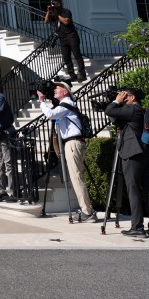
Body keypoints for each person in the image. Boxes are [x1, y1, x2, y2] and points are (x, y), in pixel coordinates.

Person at [36, 81, 95, 221]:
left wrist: (42, 101)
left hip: (73, 142)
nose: (55, 89)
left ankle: (88, 212)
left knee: (76, 177)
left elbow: (50, 114)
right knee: (76, 176)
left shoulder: (67, 104)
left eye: (58, 87)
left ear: (65, 91)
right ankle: (86, 209)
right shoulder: (65, 105)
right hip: (72, 143)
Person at [105, 87, 149, 237]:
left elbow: (109, 111)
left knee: (133, 190)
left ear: (132, 97)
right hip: (145, 152)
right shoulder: (141, 109)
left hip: (133, 153)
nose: (123, 98)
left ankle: (137, 227)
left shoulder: (131, 109)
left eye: (125, 96)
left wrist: (116, 101)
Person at [45, 0, 87, 82]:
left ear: (59, 4)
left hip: (71, 36)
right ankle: (72, 75)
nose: (53, 7)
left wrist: (57, 14)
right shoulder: (53, 13)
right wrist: (48, 11)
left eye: (55, 5)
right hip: (62, 38)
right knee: (66, 58)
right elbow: (46, 21)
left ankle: (82, 74)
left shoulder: (66, 11)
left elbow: (66, 21)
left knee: (77, 55)